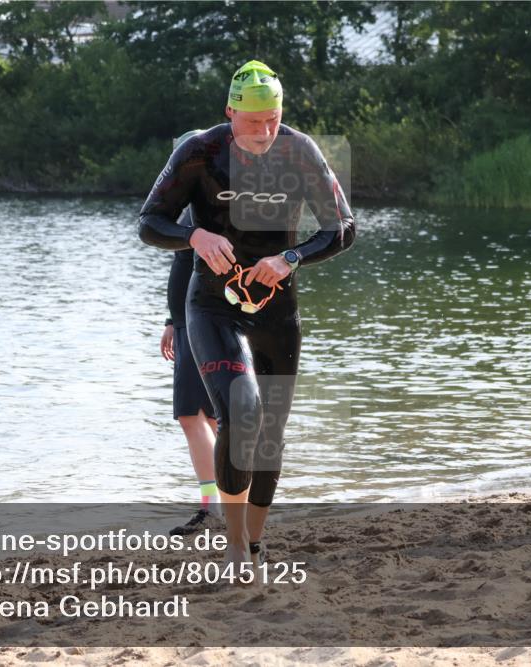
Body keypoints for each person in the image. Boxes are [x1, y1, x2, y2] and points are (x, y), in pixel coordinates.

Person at [138, 60, 355, 572]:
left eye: (274, 119)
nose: (265, 131)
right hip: (213, 304)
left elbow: (343, 228)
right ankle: (234, 543)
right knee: (242, 413)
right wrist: (194, 235)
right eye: (254, 121)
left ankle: (255, 543)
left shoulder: (299, 150)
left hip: (278, 309)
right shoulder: (199, 152)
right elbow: (150, 221)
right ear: (230, 112)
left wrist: (291, 258)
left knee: (271, 435)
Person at [161, 130, 222, 537]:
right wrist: (170, 319)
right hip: (193, 319)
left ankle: (213, 505)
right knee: (214, 417)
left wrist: (178, 320)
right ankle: (228, 500)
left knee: (190, 415)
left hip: (199, 318)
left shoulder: (200, 210)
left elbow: (188, 269)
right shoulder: (203, 208)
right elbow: (182, 269)